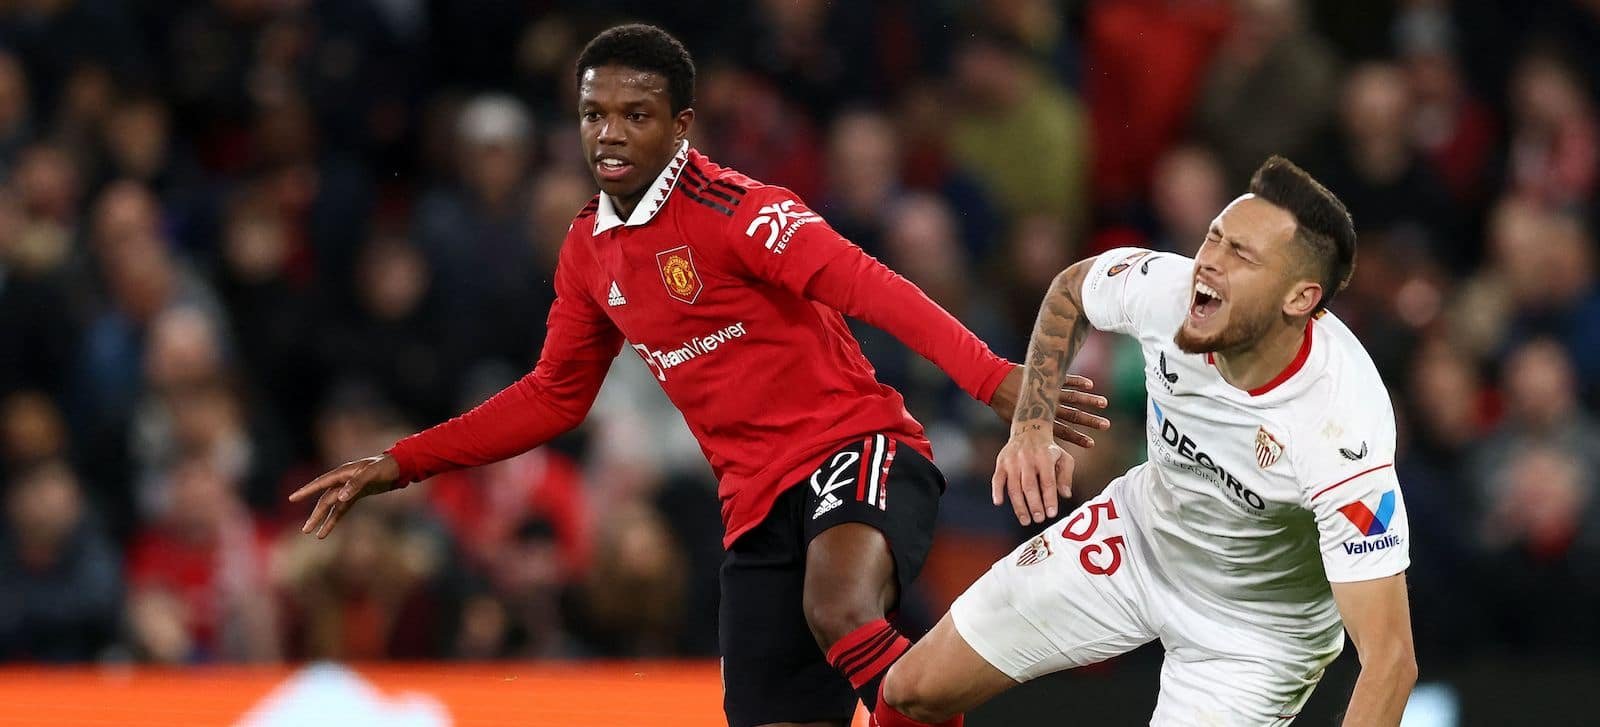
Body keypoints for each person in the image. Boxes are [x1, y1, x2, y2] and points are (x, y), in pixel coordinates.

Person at [289, 24, 1107, 727]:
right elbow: (553, 395)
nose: (610, 133)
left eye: (635, 114)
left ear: (681, 126)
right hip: (753, 505)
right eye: (594, 114)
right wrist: (403, 460)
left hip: (857, 448)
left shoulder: (737, 209)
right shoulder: (587, 251)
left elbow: (868, 284)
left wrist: (995, 377)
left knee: (838, 607)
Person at [878, 157, 1418, 726]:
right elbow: (1072, 291)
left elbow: (1390, 661)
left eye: (1242, 255)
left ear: (1299, 299)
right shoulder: (1169, 290)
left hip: (1253, 639)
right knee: (913, 689)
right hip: (1137, 537)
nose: (1209, 262)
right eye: (1215, 237)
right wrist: (1032, 424)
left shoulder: (1342, 434)